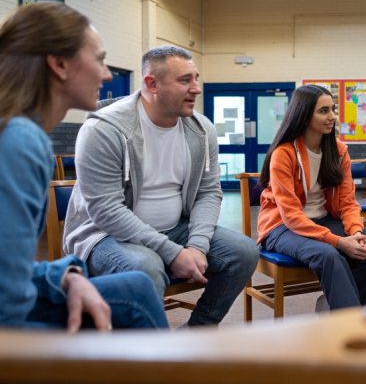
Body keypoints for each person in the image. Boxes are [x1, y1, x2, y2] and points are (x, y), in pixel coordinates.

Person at [0, 1, 168, 330]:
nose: (107, 74)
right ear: (60, 64)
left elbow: (8, 269)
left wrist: (65, 276)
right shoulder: (19, 140)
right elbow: (8, 302)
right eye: (100, 59)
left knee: (136, 288)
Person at [64, 45, 259, 327]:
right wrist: (172, 252)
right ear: (152, 84)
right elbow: (106, 210)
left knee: (243, 252)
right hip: (105, 234)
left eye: (196, 78)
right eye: (185, 80)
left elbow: (208, 192)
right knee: (146, 267)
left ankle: (198, 330)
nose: (196, 89)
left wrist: (197, 246)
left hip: (175, 227)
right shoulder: (103, 130)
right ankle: (150, 348)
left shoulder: (202, 129)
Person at [256, 84, 366, 311]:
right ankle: (350, 325)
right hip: (281, 227)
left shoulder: (339, 152)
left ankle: (334, 308)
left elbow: (348, 202)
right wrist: (339, 242)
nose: (333, 117)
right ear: (303, 116)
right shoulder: (283, 154)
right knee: (329, 254)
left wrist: (356, 233)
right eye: (323, 111)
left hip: (322, 221)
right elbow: (291, 215)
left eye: (333, 109)